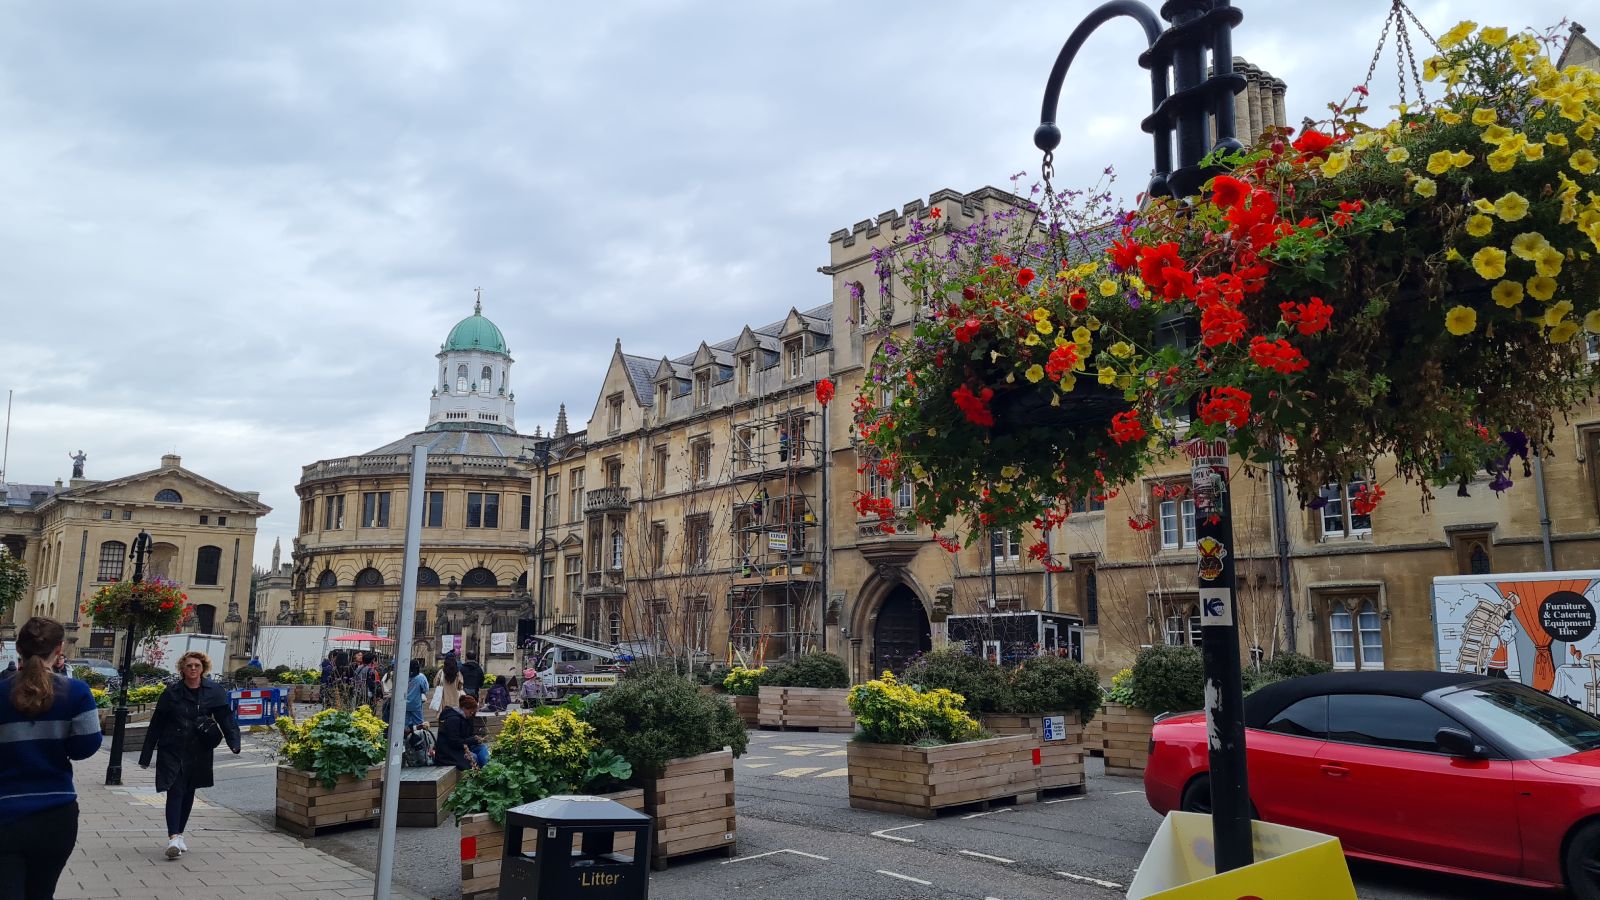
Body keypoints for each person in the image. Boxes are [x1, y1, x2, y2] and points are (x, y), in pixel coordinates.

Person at [0, 617, 101, 899]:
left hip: (5, 812)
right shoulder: (77, 692)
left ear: (18, 648)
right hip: (56, 814)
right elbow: (85, 748)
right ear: (58, 649)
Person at [139, 651, 241, 860]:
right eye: (189, 666)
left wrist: (234, 742)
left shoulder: (214, 691)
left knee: (188, 793)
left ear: (203, 668)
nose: (193, 669)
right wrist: (147, 754)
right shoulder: (172, 692)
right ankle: (173, 837)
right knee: (175, 790)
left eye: (197, 665)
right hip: (172, 747)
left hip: (199, 749)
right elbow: (157, 722)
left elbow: (225, 718)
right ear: (182, 669)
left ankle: (180, 834)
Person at [434, 695, 487, 771]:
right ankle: (477, 775)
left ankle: (487, 771)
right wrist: (473, 740)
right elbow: (454, 743)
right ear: (463, 708)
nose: (472, 714)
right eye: (471, 711)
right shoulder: (452, 719)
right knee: (473, 756)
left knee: (482, 748)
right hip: (449, 753)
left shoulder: (466, 718)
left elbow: (467, 736)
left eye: (473, 712)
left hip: (461, 748)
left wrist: (476, 739)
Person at [404, 659, 429, 731]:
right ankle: (418, 739)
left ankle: (405, 739)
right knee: (419, 724)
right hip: (416, 704)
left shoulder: (404, 676)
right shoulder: (420, 677)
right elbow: (425, 689)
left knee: (405, 724)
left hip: (405, 704)